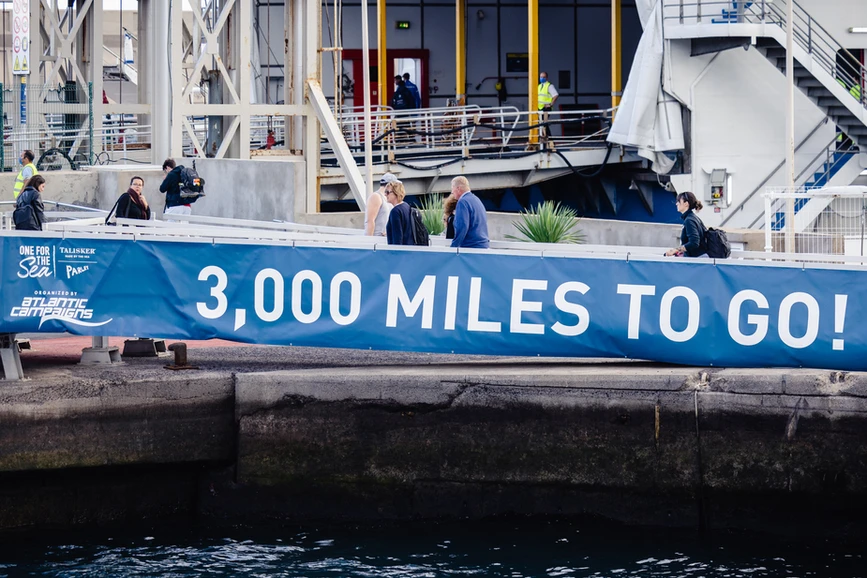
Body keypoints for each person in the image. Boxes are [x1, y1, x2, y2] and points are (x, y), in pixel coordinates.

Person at [450, 176, 489, 249]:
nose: (452, 192)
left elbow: (462, 227)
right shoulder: (476, 200)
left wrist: (453, 248)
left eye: (452, 188)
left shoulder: (463, 202)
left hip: (470, 247)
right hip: (483, 246)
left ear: (458, 188)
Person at [665, 191, 707, 257]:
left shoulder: (689, 220)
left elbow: (694, 243)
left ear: (686, 204)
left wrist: (676, 250)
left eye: (679, 201)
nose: (676, 204)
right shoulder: (694, 218)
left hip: (695, 261)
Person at [385, 180, 415, 245]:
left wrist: (395, 253)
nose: (385, 194)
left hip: (401, 252)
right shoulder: (406, 206)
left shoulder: (395, 212)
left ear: (396, 193)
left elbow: (397, 236)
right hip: (410, 247)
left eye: (387, 192)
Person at [537, 72, 559, 142]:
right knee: (541, 125)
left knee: (544, 124)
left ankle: (550, 141)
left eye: (543, 77)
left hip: (546, 108)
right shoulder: (539, 86)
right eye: (541, 77)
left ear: (546, 78)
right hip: (540, 108)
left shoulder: (549, 86)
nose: (542, 78)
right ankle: (545, 140)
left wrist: (551, 104)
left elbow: (555, 95)